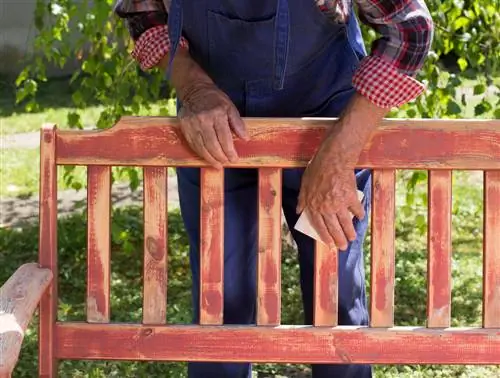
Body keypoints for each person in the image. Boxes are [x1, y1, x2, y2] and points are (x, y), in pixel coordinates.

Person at [115, 0, 433, 377]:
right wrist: (194, 87)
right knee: (220, 297)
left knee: (334, 292)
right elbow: (145, 13)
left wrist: (340, 153)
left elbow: (411, 29)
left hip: (327, 127)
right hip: (215, 128)